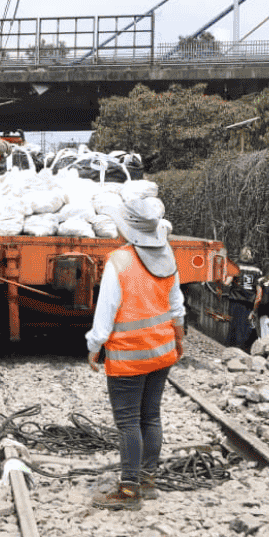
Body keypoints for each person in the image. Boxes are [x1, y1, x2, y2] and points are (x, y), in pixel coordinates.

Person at [86, 196, 184, 510]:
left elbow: (106, 312)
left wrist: (94, 346)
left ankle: (128, 491)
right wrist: (178, 340)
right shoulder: (167, 255)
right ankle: (147, 481)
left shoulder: (119, 260)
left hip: (129, 356)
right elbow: (176, 305)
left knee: (128, 421)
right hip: (161, 351)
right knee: (151, 416)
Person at [225, 246, 264, 350]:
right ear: (251, 256)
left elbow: (226, 282)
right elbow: (259, 292)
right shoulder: (257, 270)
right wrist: (256, 306)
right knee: (245, 328)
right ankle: (242, 350)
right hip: (249, 303)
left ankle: (230, 349)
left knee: (233, 326)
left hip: (235, 300)